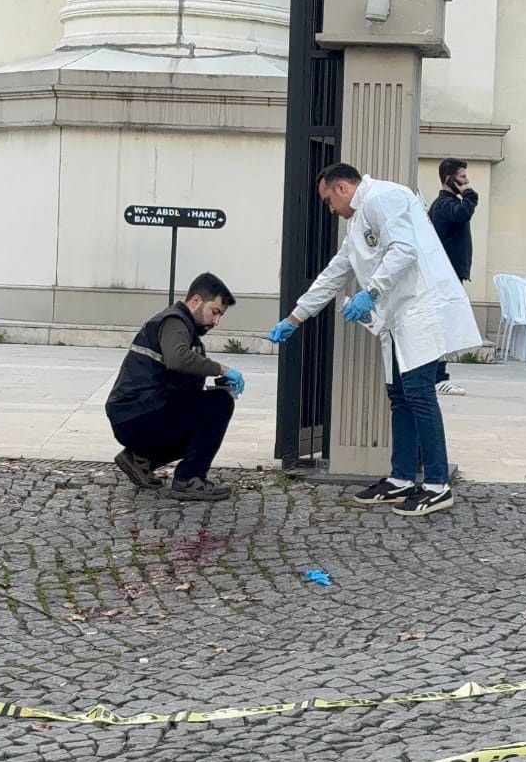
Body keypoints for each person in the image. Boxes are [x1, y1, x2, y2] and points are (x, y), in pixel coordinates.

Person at [268, 163, 481, 517]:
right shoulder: (357, 223)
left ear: (340, 188)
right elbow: (334, 274)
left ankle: (437, 485)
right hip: (398, 319)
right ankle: (400, 478)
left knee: (419, 394)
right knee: (399, 396)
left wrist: (371, 292)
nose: (330, 209)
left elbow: (405, 250)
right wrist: (295, 317)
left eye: (327, 201)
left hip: (420, 310)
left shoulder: (385, 197)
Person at [106, 272, 245, 502]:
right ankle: (189, 479)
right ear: (196, 301)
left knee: (207, 413)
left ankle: (140, 460)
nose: (216, 321)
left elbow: (180, 381)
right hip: (136, 413)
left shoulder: (185, 330)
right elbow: (178, 358)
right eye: (215, 311)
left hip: (134, 413)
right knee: (219, 405)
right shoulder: (174, 322)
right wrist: (222, 369)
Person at [427, 158, 479, 397]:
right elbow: (462, 214)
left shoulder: (447, 203)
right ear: (449, 179)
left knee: (444, 324)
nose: (467, 182)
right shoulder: (444, 204)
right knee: (442, 326)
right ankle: (439, 377)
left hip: (449, 275)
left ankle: (438, 375)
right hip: (443, 277)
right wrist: (470, 195)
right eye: (462, 178)